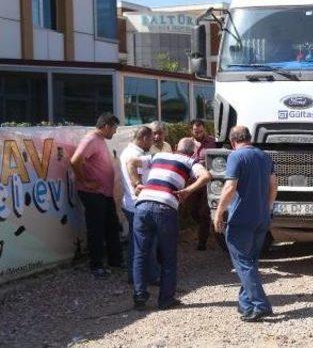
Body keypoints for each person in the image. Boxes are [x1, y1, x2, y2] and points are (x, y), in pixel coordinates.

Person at [127, 138, 212, 310]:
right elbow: (206, 176)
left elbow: (131, 161)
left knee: (141, 253)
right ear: (192, 152)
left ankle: (139, 298)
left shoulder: (158, 155)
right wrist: (188, 190)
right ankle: (165, 300)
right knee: (168, 256)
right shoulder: (190, 161)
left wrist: (136, 183)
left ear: (175, 148)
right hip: (166, 207)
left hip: (142, 204)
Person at [213, 126, 277, 322]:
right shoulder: (264, 156)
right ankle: (246, 304)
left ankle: (260, 304)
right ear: (249, 138)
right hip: (261, 217)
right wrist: (267, 207)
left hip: (241, 218)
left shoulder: (235, 156)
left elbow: (230, 187)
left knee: (242, 262)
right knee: (250, 262)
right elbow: (274, 184)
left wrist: (219, 212)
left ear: (233, 141)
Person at [70, 112, 123, 279]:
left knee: (112, 226)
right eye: (114, 128)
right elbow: (75, 160)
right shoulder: (91, 139)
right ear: (106, 126)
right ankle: (96, 266)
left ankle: (115, 260)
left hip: (103, 193)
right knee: (96, 229)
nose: (115, 132)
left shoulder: (98, 139)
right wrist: (85, 182)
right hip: (92, 193)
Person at [118, 126, 159, 284]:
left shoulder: (129, 152)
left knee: (137, 243)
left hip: (131, 204)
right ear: (144, 138)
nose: (152, 143)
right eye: (151, 140)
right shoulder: (135, 156)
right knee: (145, 243)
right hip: (138, 204)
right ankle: (147, 277)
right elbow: (142, 181)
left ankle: (137, 276)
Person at [188, 119, 216, 250]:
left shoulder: (213, 141)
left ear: (204, 129)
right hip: (192, 181)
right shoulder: (187, 143)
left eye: (200, 130)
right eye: (195, 130)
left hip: (207, 181)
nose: (198, 133)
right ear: (191, 130)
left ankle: (202, 242)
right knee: (192, 209)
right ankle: (203, 227)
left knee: (204, 212)